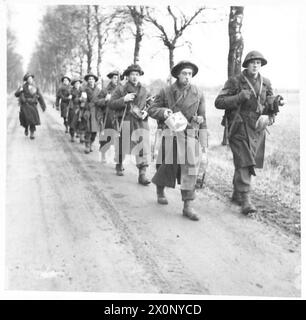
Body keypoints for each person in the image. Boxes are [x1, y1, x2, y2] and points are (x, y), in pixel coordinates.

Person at [215, 50, 284, 215]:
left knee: (245, 162)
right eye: (253, 62)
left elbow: (269, 103)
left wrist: (274, 106)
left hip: (257, 128)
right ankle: (245, 199)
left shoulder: (265, 82)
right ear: (246, 64)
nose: (255, 65)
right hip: (238, 127)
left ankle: (235, 193)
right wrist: (238, 97)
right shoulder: (234, 81)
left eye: (258, 63)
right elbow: (219, 102)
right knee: (244, 162)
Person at [148, 60, 208, 221]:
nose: (187, 77)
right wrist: (163, 112)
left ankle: (187, 206)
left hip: (189, 135)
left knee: (190, 169)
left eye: (190, 74)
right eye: (184, 73)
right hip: (170, 133)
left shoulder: (199, 93)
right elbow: (151, 109)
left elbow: (204, 118)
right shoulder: (166, 91)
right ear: (177, 75)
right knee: (166, 166)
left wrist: (202, 136)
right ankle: (160, 190)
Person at [108, 64, 151, 185]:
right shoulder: (121, 89)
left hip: (141, 122)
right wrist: (124, 99)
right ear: (127, 76)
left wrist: (146, 111)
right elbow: (111, 104)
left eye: (137, 74)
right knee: (123, 145)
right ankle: (119, 163)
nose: (135, 77)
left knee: (142, 147)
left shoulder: (144, 89)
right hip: (125, 120)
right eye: (132, 74)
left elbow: (150, 104)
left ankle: (142, 174)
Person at [96, 70, 121, 162]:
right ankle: (103, 153)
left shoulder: (122, 90)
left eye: (118, 78)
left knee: (119, 138)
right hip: (108, 116)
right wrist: (105, 100)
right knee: (106, 137)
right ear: (111, 79)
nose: (116, 80)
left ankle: (118, 156)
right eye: (114, 78)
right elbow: (97, 102)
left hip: (119, 117)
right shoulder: (105, 90)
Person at [15, 72, 46, 139]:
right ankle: (26, 127)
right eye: (28, 78)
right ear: (26, 80)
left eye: (31, 78)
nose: (30, 80)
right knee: (25, 119)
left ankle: (32, 133)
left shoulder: (35, 87)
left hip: (32, 105)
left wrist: (43, 106)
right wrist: (20, 91)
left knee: (32, 120)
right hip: (25, 105)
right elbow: (16, 94)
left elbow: (40, 96)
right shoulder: (22, 86)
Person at [82, 72, 100, 154]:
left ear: (95, 80)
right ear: (87, 81)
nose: (91, 80)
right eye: (89, 79)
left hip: (96, 111)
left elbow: (100, 100)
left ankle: (92, 142)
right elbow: (83, 101)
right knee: (88, 129)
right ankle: (87, 145)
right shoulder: (84, 90)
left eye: (92, 79)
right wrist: (86, 104)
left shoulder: (98, 90)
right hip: (88, 111)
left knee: (95, 130)